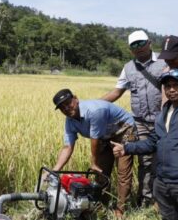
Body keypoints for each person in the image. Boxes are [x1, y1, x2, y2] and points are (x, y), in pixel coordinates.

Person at [111, 69, 178, 220]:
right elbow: (153, 142)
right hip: (162, 182)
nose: (171, 89)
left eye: (176, 85)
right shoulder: (164, 111)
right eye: (167, 86)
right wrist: (127, 148)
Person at [101, 30, 167, 207]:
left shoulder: (164, 62)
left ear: (149, 43)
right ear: (130, 49)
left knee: (165, 158)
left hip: (164, 120)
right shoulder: (128, 68)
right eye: (133, 45)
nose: (138, 48)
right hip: (140, 122)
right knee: (145, 161)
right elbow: (117, 92)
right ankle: (145, 200)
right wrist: (95, 103)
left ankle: (162, 199)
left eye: (140, 43)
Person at [50, 88, 136, 217]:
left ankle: (121, 210)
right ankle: (101, 206)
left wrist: (94, 162)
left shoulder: (94, 111)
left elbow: (94, 139)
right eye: (62, 108)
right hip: (105, 135)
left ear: (76, 99)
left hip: (123, 129)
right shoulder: (70, 121)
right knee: (101, 173)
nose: (67, 108)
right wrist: (55, 169)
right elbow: (68, 146)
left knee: (122, 172)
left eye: (68, 103)